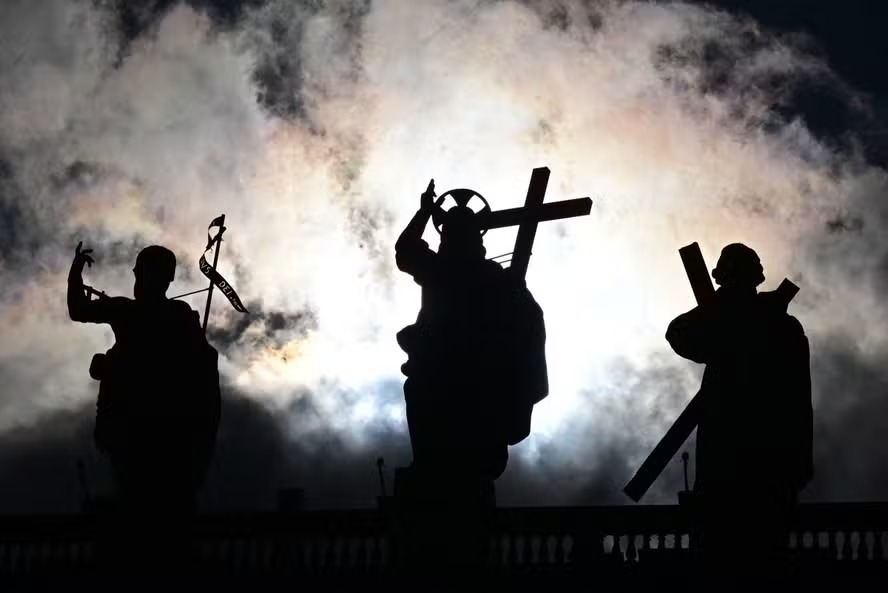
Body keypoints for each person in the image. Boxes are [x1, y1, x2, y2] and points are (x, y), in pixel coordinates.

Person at [394, 180, 548, 509]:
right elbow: (405, 252)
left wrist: (424, 212)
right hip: (448, 373)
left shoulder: (456, 272)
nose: (448, 239)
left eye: (451, 233)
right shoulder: (479, 274)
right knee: (427, 415)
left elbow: (406, 250)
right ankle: (433, 470)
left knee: (445, 431)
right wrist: (424, 212)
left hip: (468, 376)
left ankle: (438, 473)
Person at [665, 243, 812, 584]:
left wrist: (723, 311)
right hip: (743, 459)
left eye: (726, 282)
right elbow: (678, 333)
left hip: (756, 459)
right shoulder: (769, 325)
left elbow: (798, 400)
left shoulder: (777, 327)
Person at [68, 241, 220, 516]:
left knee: (138, 498)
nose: (137, 278)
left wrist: (75, 274)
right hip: (169, 429)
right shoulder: (179, 315)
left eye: (140, 272)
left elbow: (78, 309)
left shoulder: (131, 311)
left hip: (138, 425)